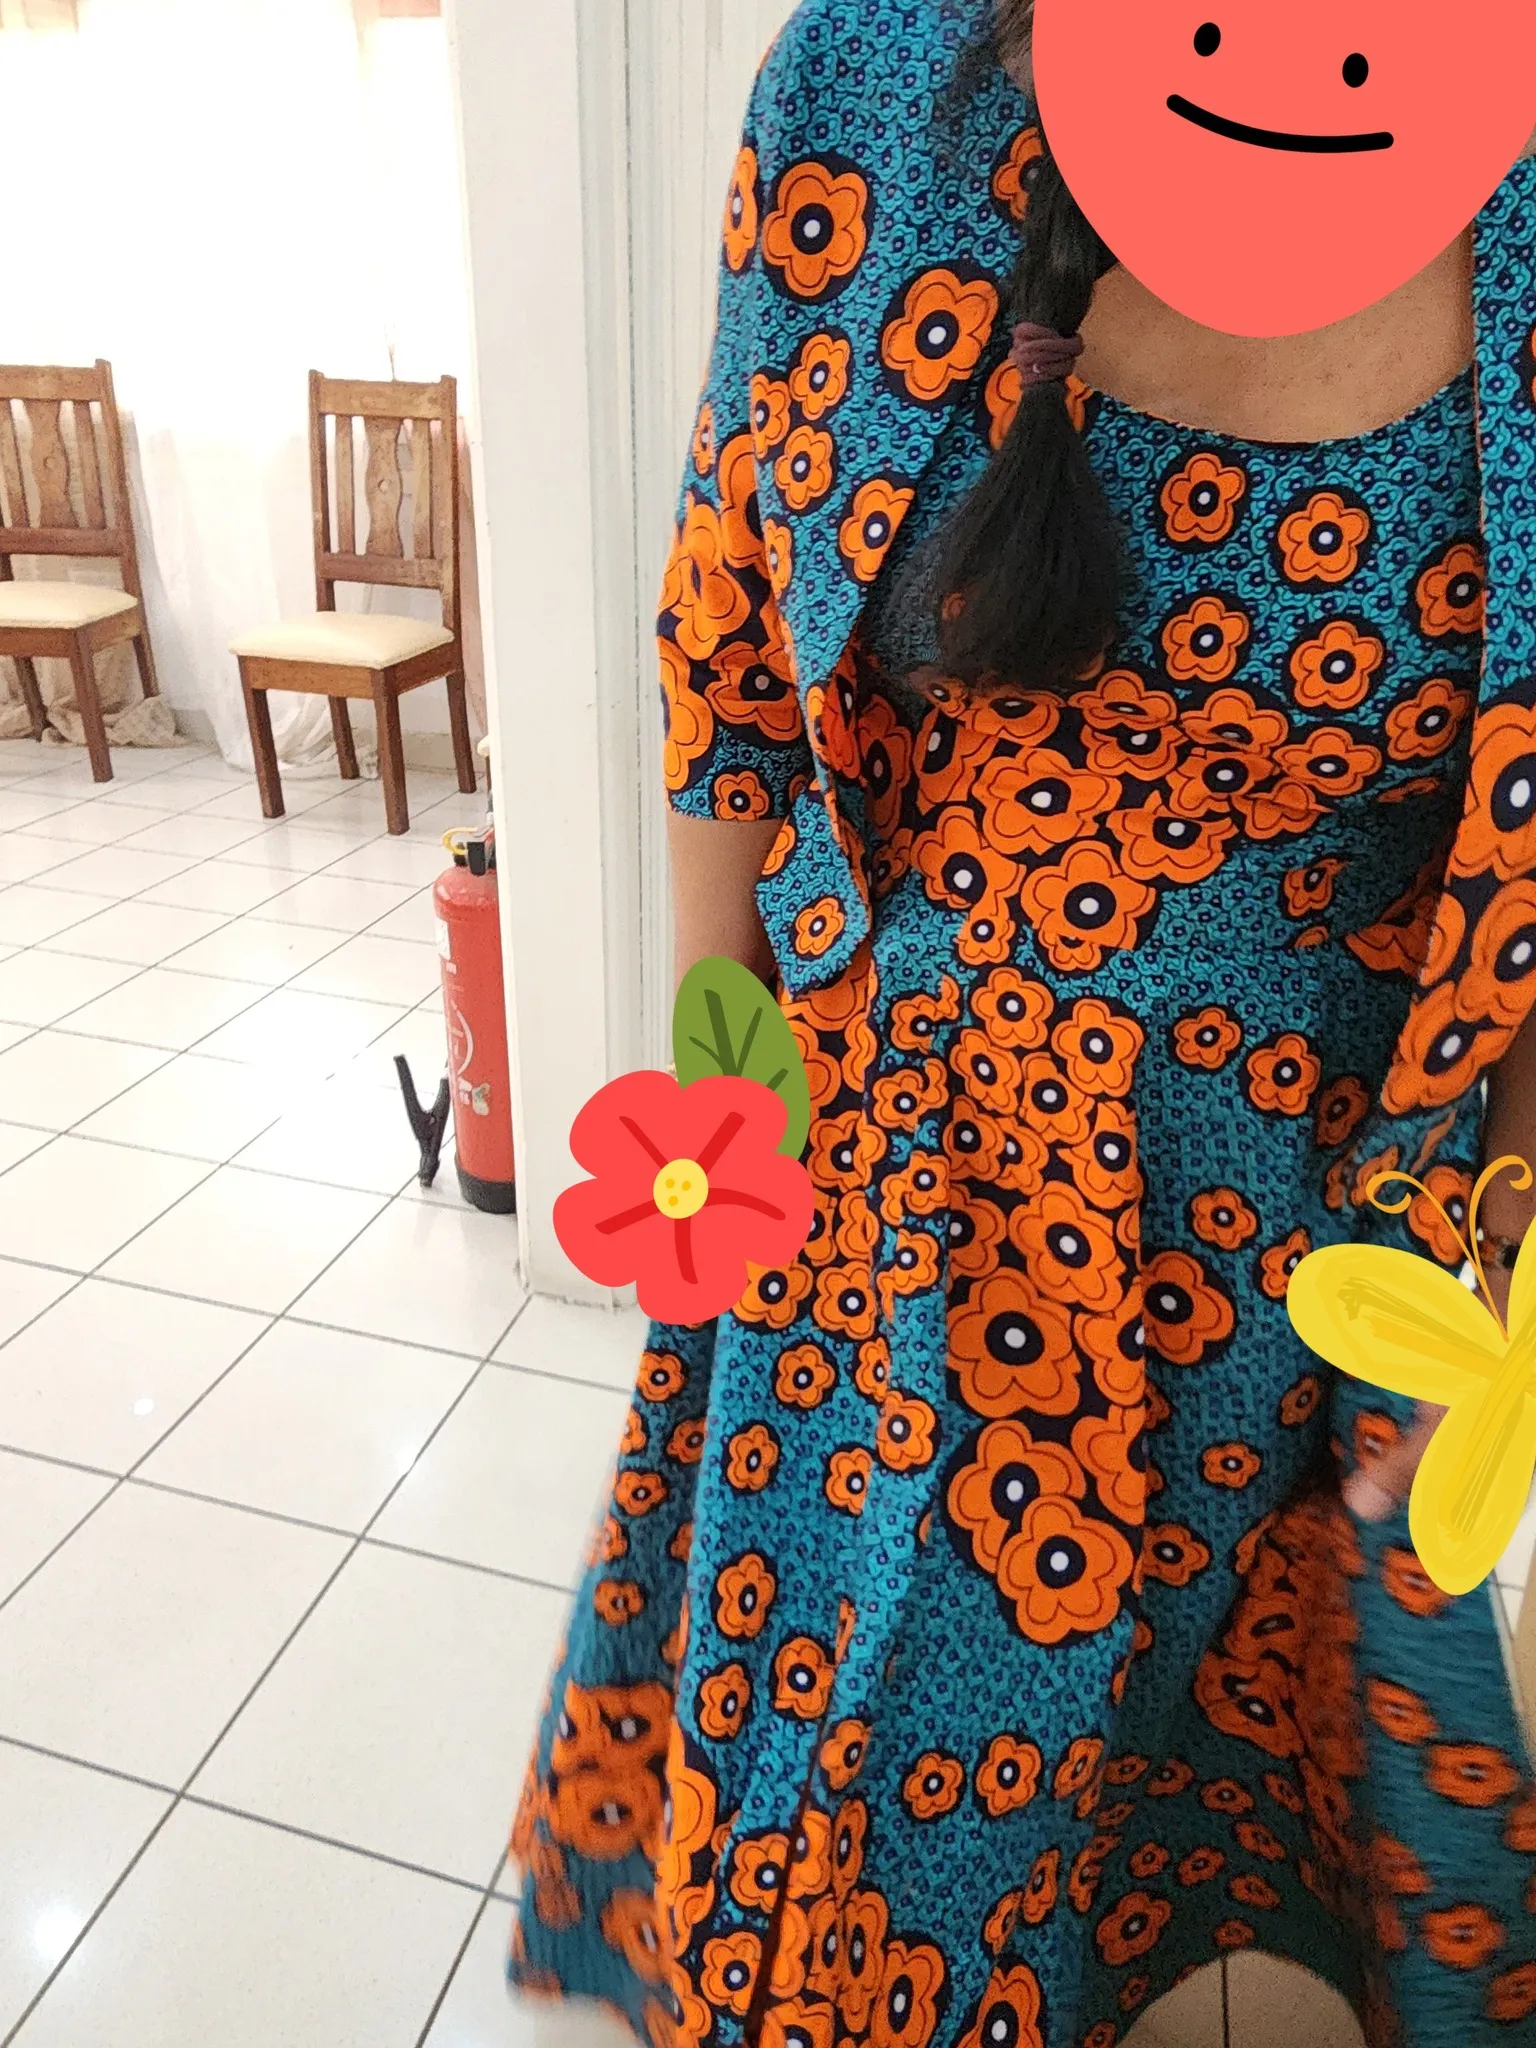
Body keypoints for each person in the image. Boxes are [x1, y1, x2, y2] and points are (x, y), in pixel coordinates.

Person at [509, 2, 1536, 2043]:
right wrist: (716, 1120)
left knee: (1204, 1804)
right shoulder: (868, 83)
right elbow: (730, 632)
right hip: (901, 1174)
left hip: (1319, 1234)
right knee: (874, 1852)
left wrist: (1500, 1245)